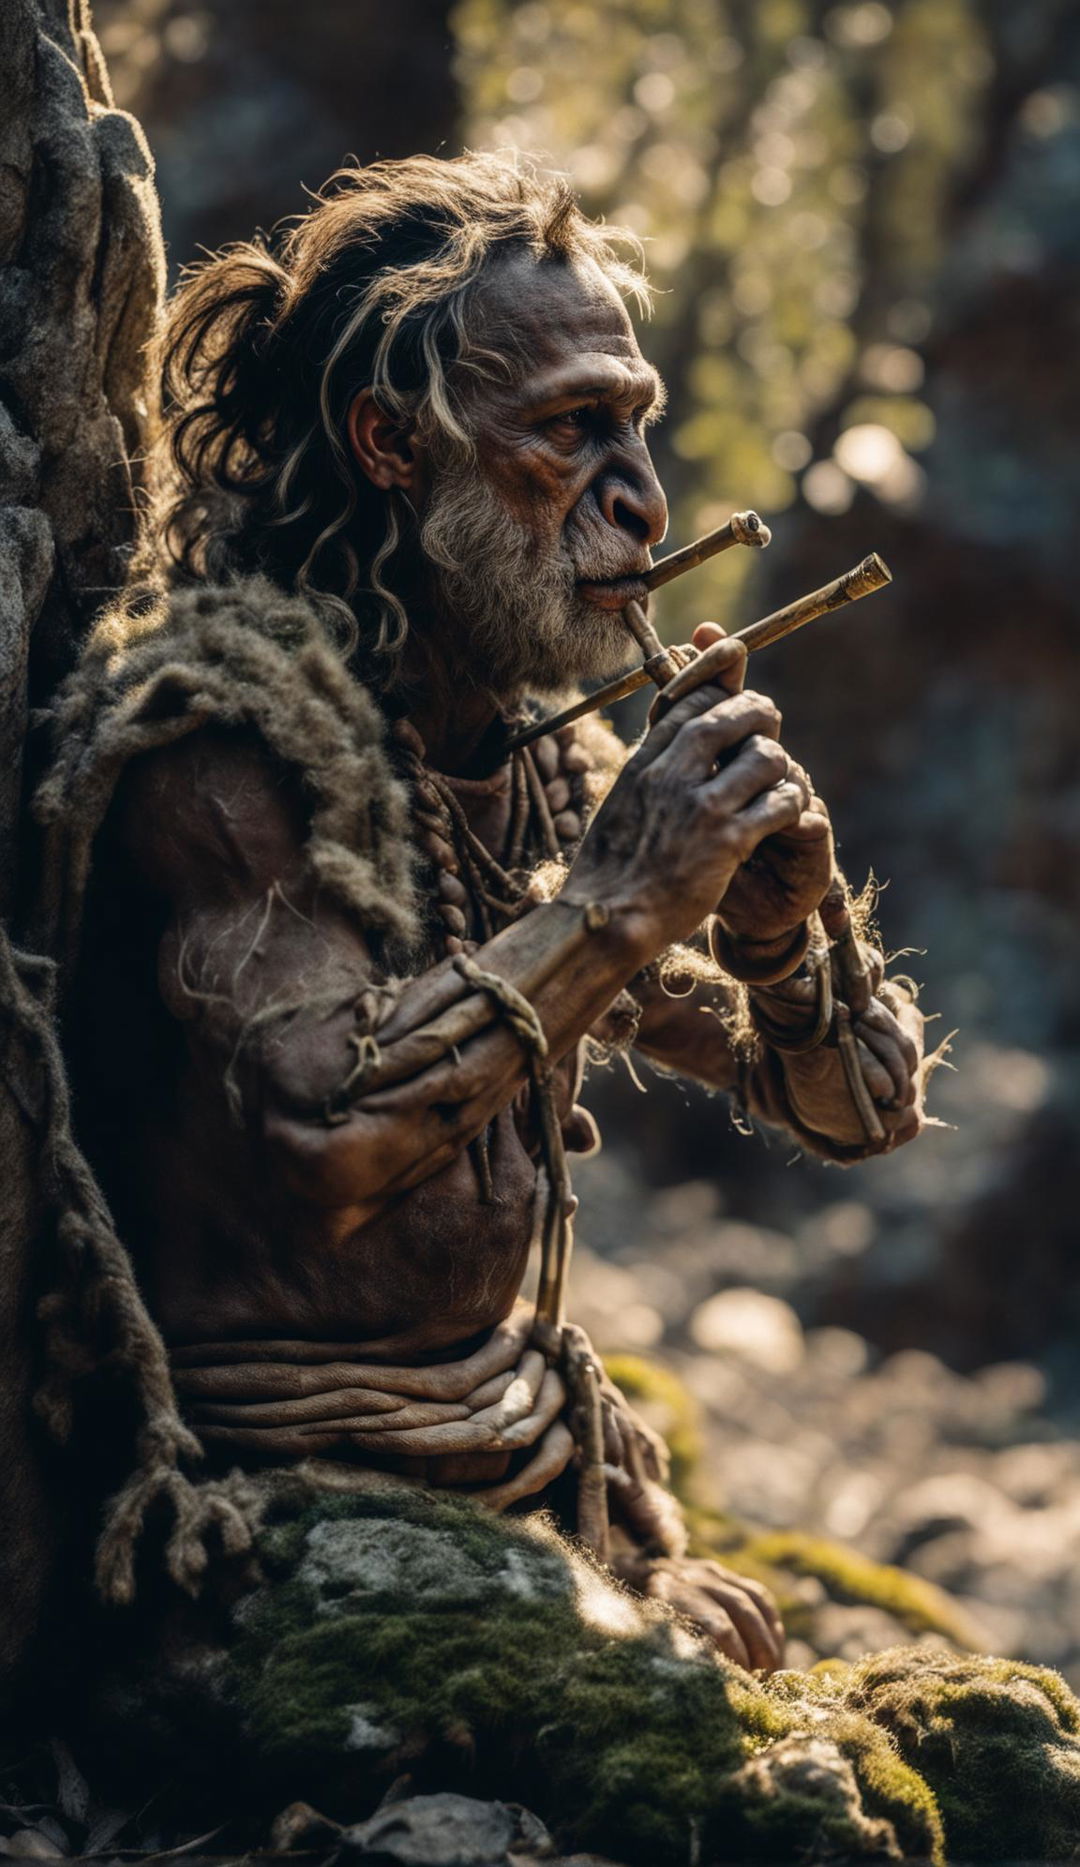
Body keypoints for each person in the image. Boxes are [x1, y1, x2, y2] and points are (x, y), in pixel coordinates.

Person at [37, 151, 927, 1680]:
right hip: (255, 1519)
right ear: (392, 443)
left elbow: (858, 1115)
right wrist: (622, 902)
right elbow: (330, 1146)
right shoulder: (223, 739)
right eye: (574, 432)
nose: (642, 497)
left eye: (637, 426)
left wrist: (780, 943)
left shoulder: (529, 763)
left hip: (523, 1474)